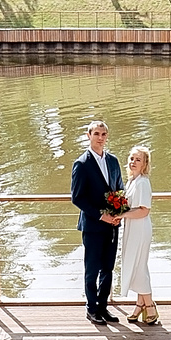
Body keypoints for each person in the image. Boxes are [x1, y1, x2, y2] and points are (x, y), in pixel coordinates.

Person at [68, 119, 125, 325]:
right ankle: (91, 309)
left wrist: (119, 213)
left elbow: (119, 188)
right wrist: (102, 215)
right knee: (92, 269)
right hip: (93, 225)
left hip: (113, 224)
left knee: (108, 268)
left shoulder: (113, 160)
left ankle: (103, 307)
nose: (100, 138)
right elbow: (77, 198)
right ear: (88, 136)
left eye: (103, 134)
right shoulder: (82, 164)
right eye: (96, 134)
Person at [118, 145, 158, 325]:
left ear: (145, 164)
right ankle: (139, 304)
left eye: (138, 160)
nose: (133, 162)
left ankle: (150, 305)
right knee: (134, 264)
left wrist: (121, 214)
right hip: (131, 228)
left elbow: (143, 211)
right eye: (132, 158)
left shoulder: (143, 182)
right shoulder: (132, 181)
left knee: (139, 265)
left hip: (140, 228)